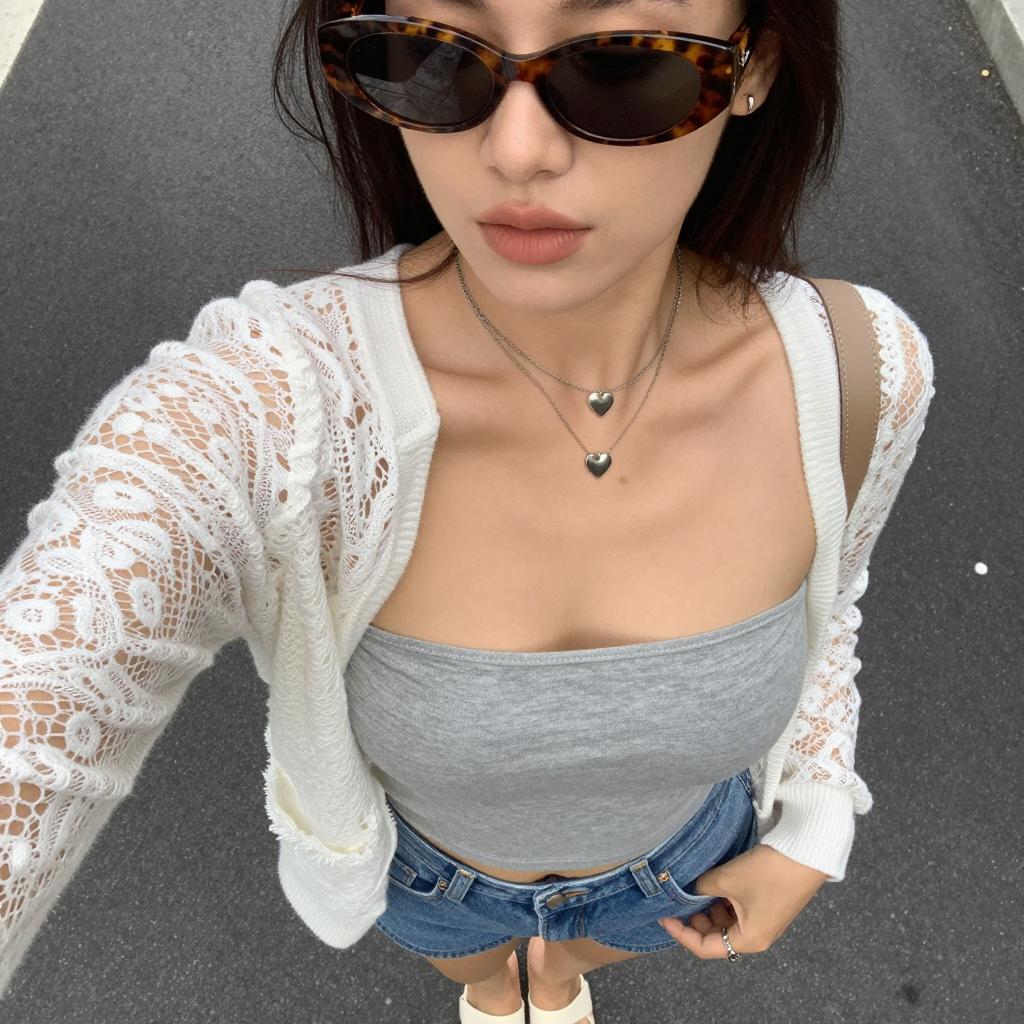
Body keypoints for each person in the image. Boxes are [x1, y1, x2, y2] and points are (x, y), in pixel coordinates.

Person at [0, 0, 936, 1020]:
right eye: (430, 55)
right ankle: (502, 987)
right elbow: (46, 688)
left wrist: (813, 817)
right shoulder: (267, 414)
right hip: (434, 886)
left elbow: (833, 594)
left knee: (563, 965)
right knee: (487, 974)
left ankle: (555, 976)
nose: (515, 150)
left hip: (671, 873)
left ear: (753, 67)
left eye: (624, 64)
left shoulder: (861, 372)